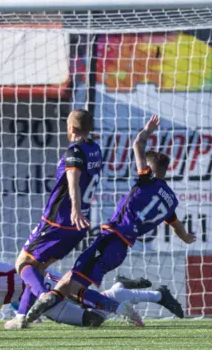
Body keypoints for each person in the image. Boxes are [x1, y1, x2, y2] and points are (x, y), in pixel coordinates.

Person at [25, 115, 196, 325]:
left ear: (150, 171)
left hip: (111, 240)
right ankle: (36, 311)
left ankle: (119, 308)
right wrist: (188, 238)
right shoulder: (170, 201)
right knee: (67, 285)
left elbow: (137, 144)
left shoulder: (147, 181)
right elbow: (179, 230)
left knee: (70, 287)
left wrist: (148, 130)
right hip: (120, 249)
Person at [9, 109, 130, 328]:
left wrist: (74, 209)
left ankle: (44, 296)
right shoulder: (95, 149)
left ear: (72, 129)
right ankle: (21, 318)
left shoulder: (74, 150)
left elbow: (73, 178)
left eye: (67, 125)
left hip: (58, 221)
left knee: (22, 263)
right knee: (37, 269)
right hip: (77, 226)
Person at [0, 251, 183, 330]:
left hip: (41, 284)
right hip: (31, 301)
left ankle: (151, 295)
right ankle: (120, 289)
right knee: (92, 320)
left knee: (82, 295)